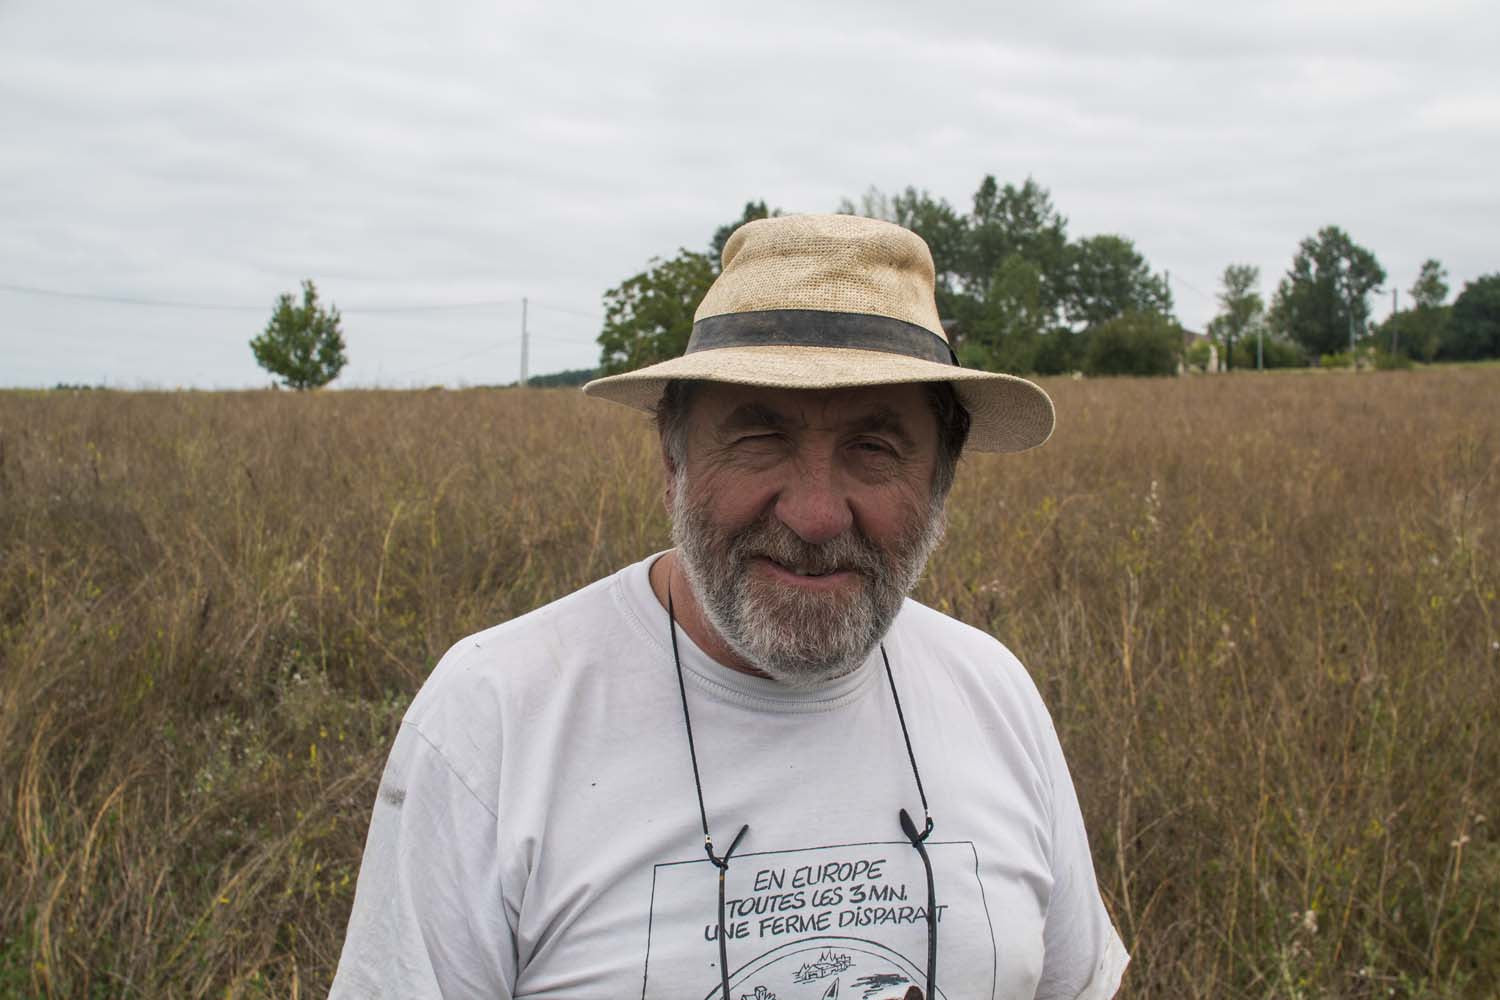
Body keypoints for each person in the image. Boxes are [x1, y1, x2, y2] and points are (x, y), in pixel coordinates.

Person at [331, 214, 1128, 999]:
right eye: (758, 439)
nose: (815, 515)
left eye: (874, 449)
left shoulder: (994, 693)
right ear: (673, 461)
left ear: (940, 482)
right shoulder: (497, 715)